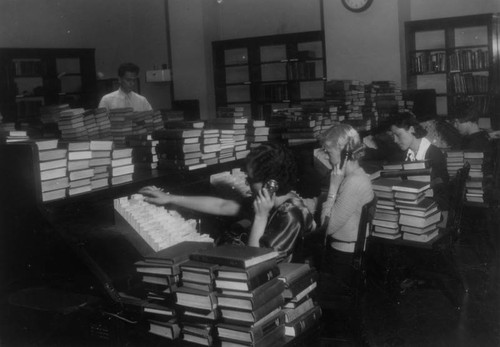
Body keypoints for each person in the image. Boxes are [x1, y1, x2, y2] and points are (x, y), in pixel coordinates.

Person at [139, 143, 316, 263]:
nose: (246, 182)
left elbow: (256, 263)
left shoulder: (290, 214)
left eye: (251, 178)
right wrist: (171, 198)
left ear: (271, 184)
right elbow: (222, 206)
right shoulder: (270, 201)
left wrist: (261, 217)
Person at [311, 124, 374, 293]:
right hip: (346, 254)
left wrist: (332, 188)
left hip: (344, 259)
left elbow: (328, 227)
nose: (329, 158)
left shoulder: (352, 182)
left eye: (329, 152)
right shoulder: (358, 175)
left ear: (344, 152)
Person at [386, 111, 450, 216]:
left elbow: (441, 195)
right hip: (413, 208)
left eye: (398, 135)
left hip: (435, 211)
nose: (395, 140)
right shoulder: (403, 155)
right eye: (393, 135)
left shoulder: (434, 154)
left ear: (411, 129)